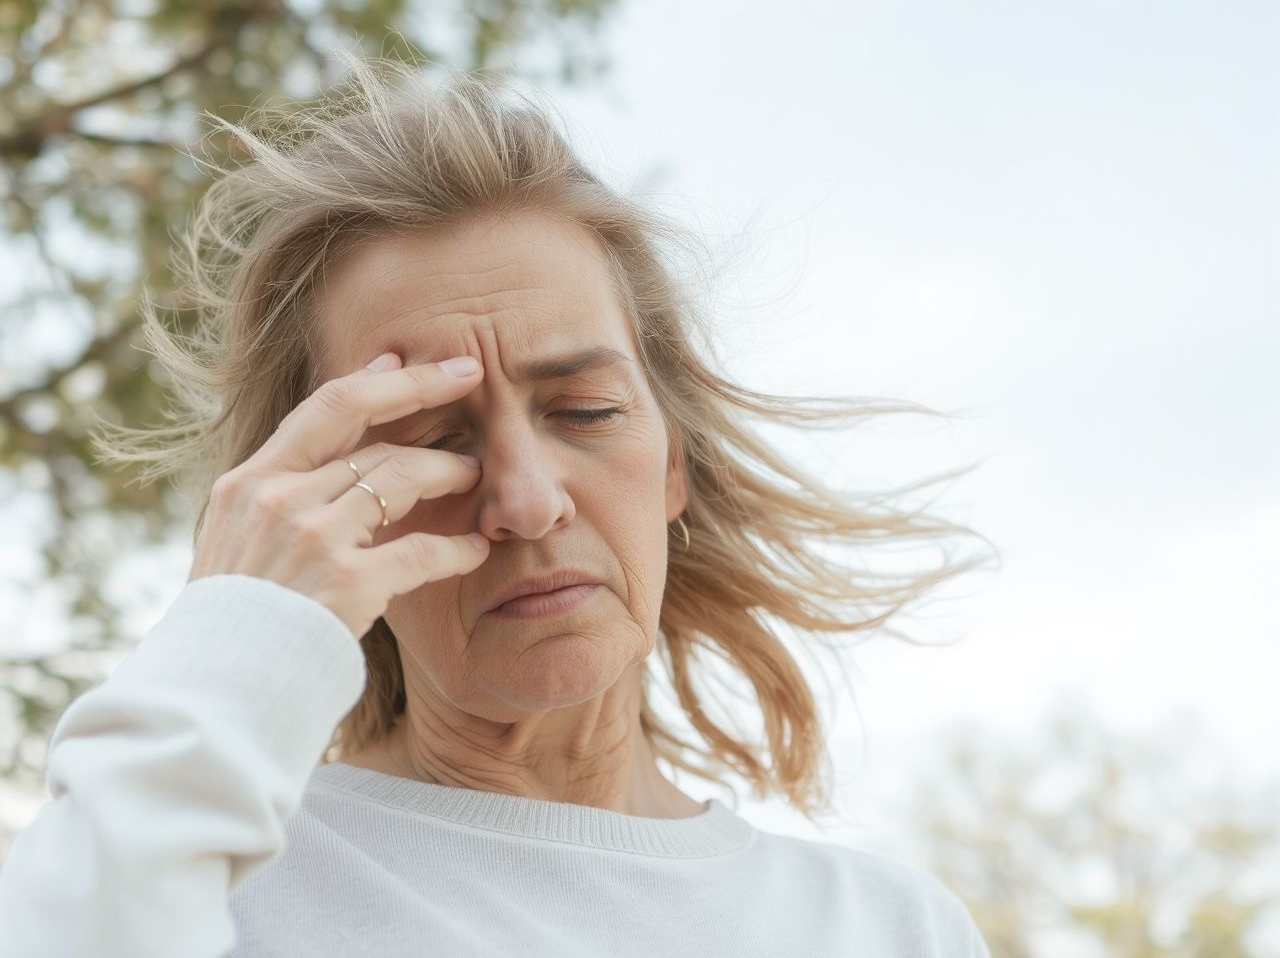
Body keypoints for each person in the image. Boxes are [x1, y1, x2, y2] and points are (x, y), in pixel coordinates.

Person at [0, 52, 998, 957]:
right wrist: (236, 630)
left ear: (671, 465)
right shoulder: (205, 884)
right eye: (434, 439)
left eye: (586, 410)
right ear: (312, 511)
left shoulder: (886, 927)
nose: (523, 503)